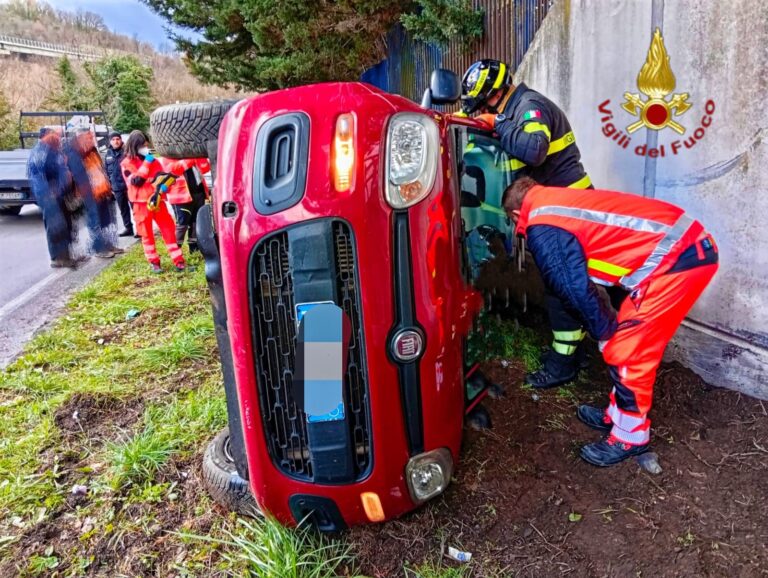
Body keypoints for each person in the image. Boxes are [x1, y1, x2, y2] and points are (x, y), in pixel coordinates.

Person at [502, 177, 718, 466]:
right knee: (625, 343)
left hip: (678, 261)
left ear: (517, 214)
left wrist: (604, 331)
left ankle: (631, 437)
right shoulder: (557, 200)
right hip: (681, 252)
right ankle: (617, 414)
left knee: (627, 350)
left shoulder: (542, 224)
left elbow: (572, 288)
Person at [461, 58, 605, 390]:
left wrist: (497, 122)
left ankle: (562, 365)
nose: (481, 109)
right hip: (562, 210)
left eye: (483, 103)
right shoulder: (517, 110)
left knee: (559, 286)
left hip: (569, 210)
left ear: (496, 93)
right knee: (565, 283)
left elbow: (535, 150)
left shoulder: (530, 107)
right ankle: (573, 354)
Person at [120, 130, 192, 273]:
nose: (146, 148)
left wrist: (163, 188)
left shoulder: (154, 161)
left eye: (146, 145)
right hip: (140, 204)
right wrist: (147, 162)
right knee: (146, 234)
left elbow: (164, 178)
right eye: (142, 145)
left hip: (157, 201)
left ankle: (179, 262)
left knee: (169, 230)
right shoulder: (126, 163)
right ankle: (154, 263)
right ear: (135, 145)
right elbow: (137, 181)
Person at [27, 128, 80, 268]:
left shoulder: (54, 150)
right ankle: (58, 258)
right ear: (46, 137)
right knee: (55, 226)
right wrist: (49, 194)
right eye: (56, 135)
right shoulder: (40, 152)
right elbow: (38, 176)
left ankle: (66, 255)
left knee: (66, 224)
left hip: (61, 194)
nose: (59, 138)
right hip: (50, 196)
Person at [65, 130, 122, 259]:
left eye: (92, 137)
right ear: (80, 139)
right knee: (94, 221)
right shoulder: (75, 154)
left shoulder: (93, 151)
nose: (92, 140)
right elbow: (78, 177)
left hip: (101, 191)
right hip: (89, 194)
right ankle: (99, 248)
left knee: (105, 221)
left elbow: (100, 168)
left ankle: (107, 244)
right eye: (89, 138)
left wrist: (106, 186)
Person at [158, 156, 210, 253]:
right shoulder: (168, 155)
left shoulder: (192, 154)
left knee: (196, 223)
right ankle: (175, 252)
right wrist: (193, 156)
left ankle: (194, 250)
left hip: (198, 193)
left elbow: (205, 168)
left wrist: (199, 156)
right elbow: (176, 168)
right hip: (181, 197)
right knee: (182, 225)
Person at [105, 131, 134, 237]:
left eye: (117, 139)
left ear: (121, 140)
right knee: (123, 210)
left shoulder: (127, 151)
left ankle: (141, 229)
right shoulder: (108, 153)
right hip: (116, 187)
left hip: (129, 186)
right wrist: (110, 185)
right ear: (110, 141)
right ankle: (128, 228)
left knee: (135, 208)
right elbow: (107, 171)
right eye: (113, 139)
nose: (115, 141)